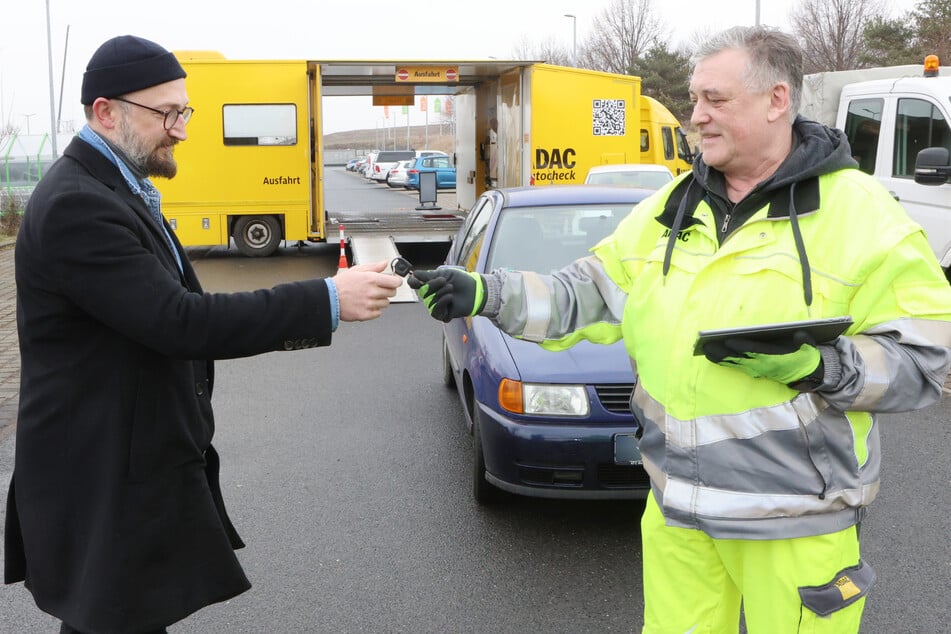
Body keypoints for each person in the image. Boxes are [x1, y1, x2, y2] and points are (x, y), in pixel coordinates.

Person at [408, 25, 951, 633]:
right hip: (678, 510)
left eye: (715, 100)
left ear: (776, 101)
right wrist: (486, 293)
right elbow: (583, 295)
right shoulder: (669, 210)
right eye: (695, 100)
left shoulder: (864, 216)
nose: (696, 117)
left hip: (795, 518)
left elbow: (924, 361)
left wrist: (822, 367)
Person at [4, 35, 402, 633]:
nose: (182, 129)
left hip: (123, 471)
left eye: (183, 111)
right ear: (106, 112)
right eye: (167, 113)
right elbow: (179, 320)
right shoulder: (77, 206)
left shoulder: (118, 190)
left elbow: (176, 309)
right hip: (99, 482)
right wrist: (326, 299)